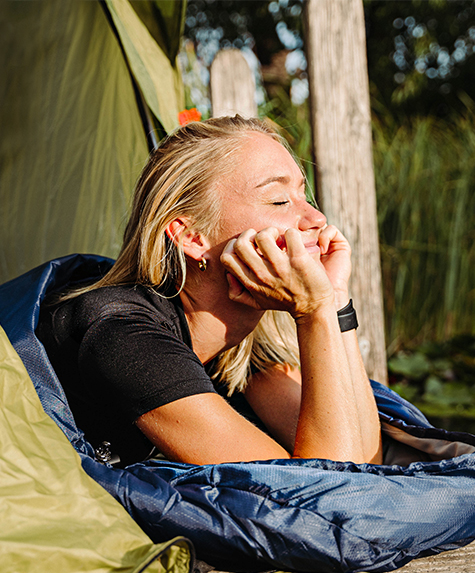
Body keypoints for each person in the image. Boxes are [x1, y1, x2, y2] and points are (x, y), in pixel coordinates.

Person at [37, 115, 382, 467]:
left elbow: (366, 463)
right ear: (192, 237)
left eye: (303, 194)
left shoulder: (242, 340)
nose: (315, 219)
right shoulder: (121, 335)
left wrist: (335, 299)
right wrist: (313, 311)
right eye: (279, 200)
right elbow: (327, 491)